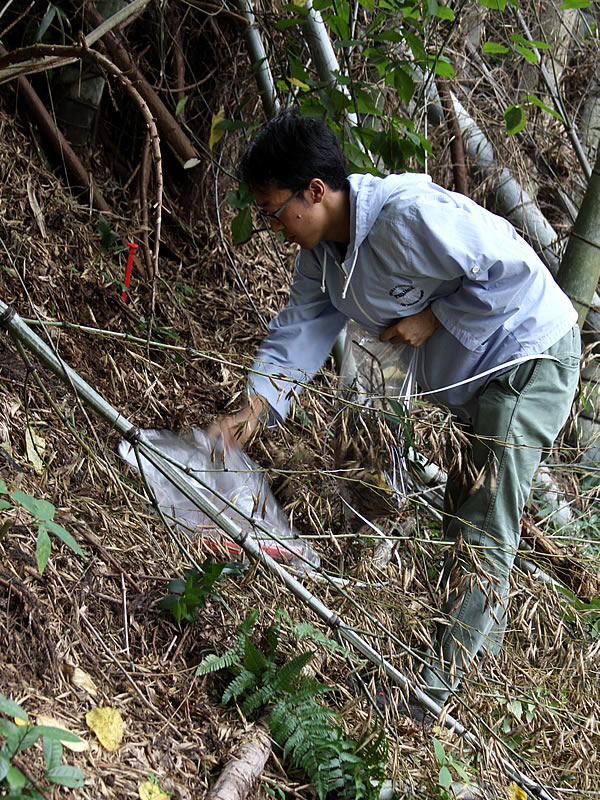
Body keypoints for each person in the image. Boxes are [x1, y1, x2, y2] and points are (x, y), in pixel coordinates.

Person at [211, 109, 581, 716]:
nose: (274, 226)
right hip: (478, 379)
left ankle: (429, 697)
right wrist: (251, 410)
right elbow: (300, 332)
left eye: (276, 211)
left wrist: (435, 317)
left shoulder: (407, 216)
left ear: (316, 191)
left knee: (483, 527)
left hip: (528, 356)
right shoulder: (323, 257)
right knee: (467, 522)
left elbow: (508, 264)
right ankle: (468, 674)